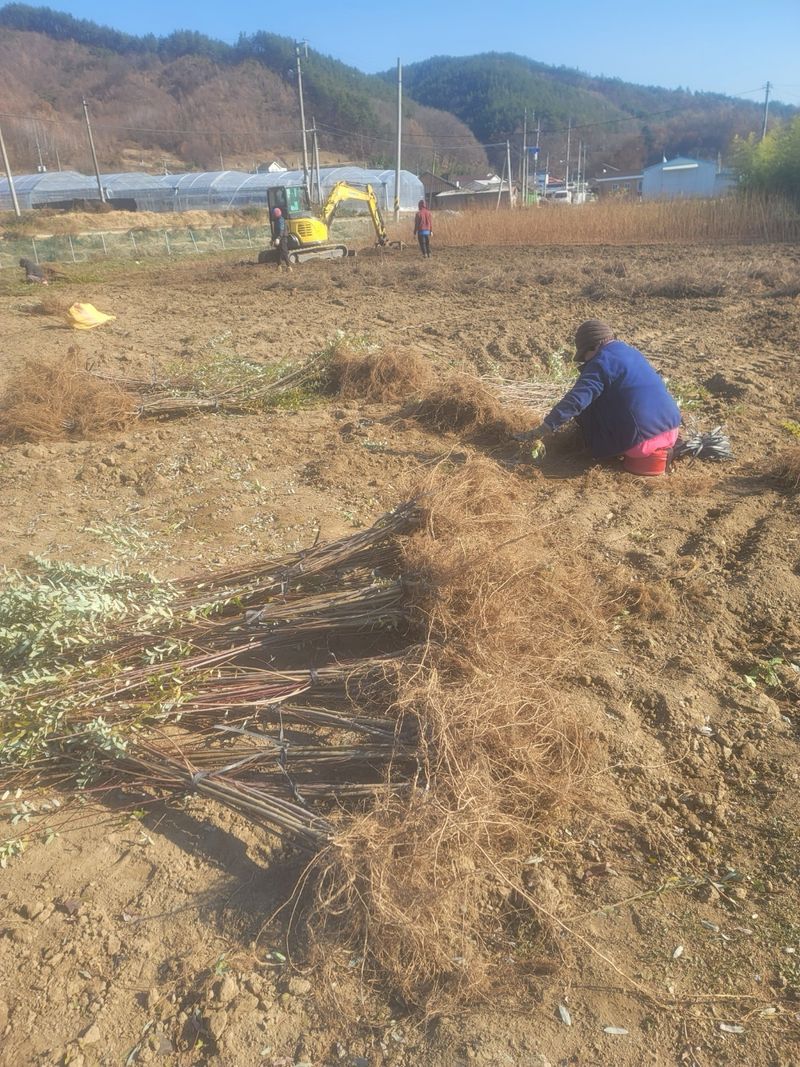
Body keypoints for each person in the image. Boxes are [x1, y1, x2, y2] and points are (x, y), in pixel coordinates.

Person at [527, 319, 681, 475]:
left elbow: (577, 399)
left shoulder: (601, 361)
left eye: (584, 356)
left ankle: (603, 450)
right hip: (672, 429)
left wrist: (545, 427)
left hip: (640, 440)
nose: (586, 360)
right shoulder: (631, 352)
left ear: (593, 347)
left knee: (588, 407)